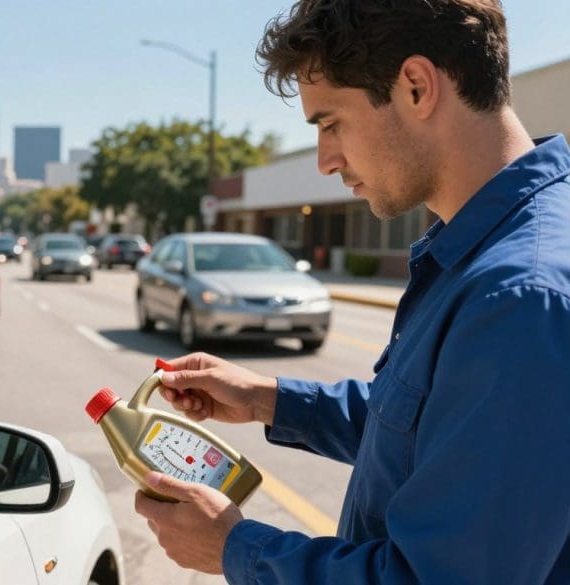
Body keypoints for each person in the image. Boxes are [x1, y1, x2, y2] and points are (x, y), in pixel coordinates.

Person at [134, 1, 570, 583]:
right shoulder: (489, 254)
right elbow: (433, 435)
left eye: (330, 123)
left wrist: (234, 548)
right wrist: (267, 399)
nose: (324, 161)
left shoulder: (518, 296)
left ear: (416, 87)